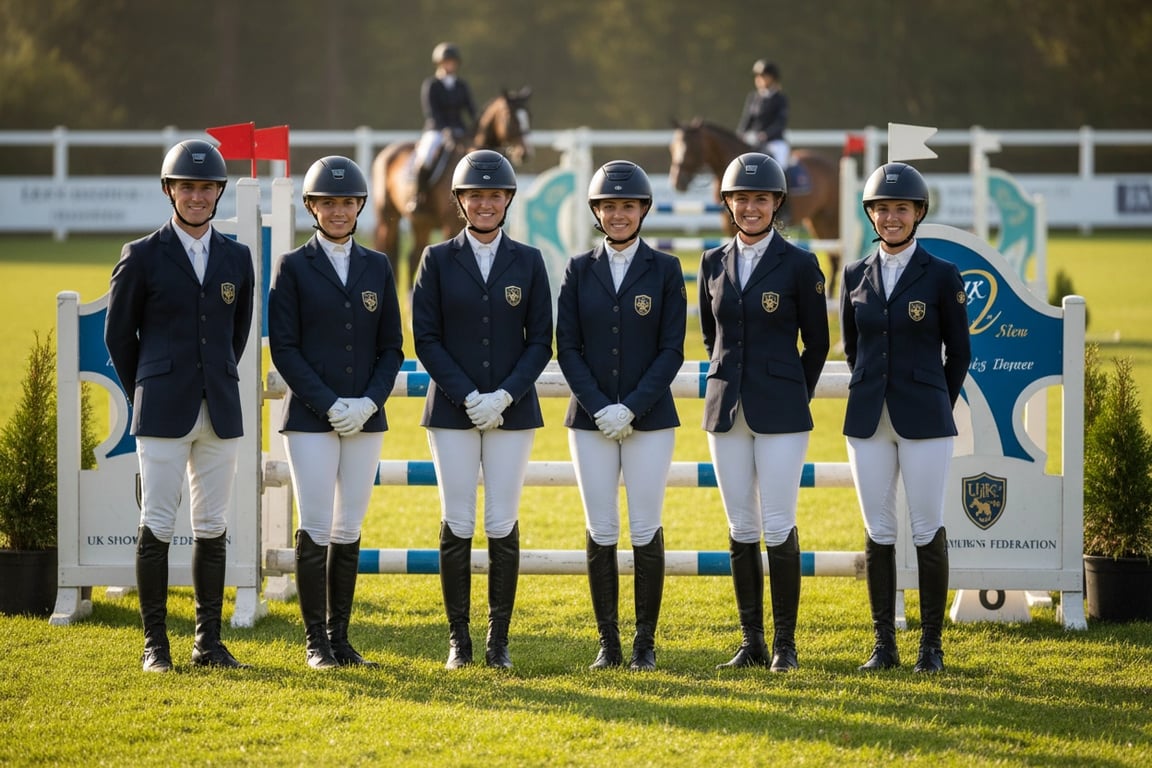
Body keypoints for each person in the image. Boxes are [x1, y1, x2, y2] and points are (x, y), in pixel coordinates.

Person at [105, 139, 255, 672]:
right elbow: (120, 337)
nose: (196, 196)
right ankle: (155, 644)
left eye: (206, 187)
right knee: (159, 524)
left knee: (213, 525)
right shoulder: (142, 255)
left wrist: (210, 378)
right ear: (170, 190)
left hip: (219, 408)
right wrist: (147, 385)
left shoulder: (237, 256)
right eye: (187, 187)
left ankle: (207, 642)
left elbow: (236, 335)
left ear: (219, 192)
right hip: (162, 407)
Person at [412, 149, 553, 670]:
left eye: (495, 195)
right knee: (457, 519)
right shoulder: (437, 259)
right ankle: (458, 639)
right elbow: (425, 337)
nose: (486, 203)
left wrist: (504, 396)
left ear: (507, 200)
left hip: (511, 411)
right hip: (451, 409)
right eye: (476, 196)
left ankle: (498, 640)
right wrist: (468, 395)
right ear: (461, 202)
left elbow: (541, 341)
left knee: (501, 520)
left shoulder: (530, 261)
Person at [268, 156, 404, 670]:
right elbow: (285, 347)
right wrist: (328, 403)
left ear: (360, 206)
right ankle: (315, 643)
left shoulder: (378, 266)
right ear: (313, 207)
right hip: (309, 417)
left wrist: (368, 401)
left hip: (366, 415)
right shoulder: (293, 267)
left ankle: (341, 638)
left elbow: (391, 346)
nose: (340, 211)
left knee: (349, 528)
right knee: (316, 525)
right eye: (329, 203)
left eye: (348, 202)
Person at [698, 152, 829, 673]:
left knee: (778, 524)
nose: (750, 208)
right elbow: (713, 339)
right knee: (740, 526)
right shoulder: (712, 261)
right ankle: (751, 640)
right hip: (725, 408)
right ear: (728, 203)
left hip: (781, 410)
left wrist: (794, 391)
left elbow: (817, 344)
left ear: (776, 203)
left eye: (760, 199)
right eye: (741, 199)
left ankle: (785, 646)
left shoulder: (800, 264)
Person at [839, 162, 971, 673]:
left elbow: (959, 353)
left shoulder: (941, 274)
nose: (890, 217)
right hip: (868, 418)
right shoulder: (854, 274)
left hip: (925, 417)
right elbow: (853, 349)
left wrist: (937, 397)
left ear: (918, 213)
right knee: (877, 530)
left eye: (900, 209)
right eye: (882, 209)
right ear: (870, 214)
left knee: (926, 527)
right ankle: (883, 645)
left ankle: (931, 646)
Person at [556, 161, 687, 671]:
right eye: (609, 207)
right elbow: (566, 347)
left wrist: (631, 406)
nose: (618, 214)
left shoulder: (666, 269)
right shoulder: (577, 268)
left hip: (649, 418)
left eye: (627, 206)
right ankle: (608, 643)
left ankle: (644, 643)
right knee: (601, 527)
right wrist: (599, 406)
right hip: (590, 419)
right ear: (596, 212)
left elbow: (671, 349)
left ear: (642, 210)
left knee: (645, 527)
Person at [410, 41, 477, 212]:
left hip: (459, 131)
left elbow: (471, 110)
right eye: (447, 62)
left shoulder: (462, 86)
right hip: (436, 130)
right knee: (425, 156)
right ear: (439, 64)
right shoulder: (432, 84)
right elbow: (431, 112)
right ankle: (418, 197)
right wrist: (445, 129)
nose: (450, 65)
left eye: (453, 62)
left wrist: (476, 127)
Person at [737, 59, 790, 171]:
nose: (758, 79)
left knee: (781, 167)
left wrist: (766, 134)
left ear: (772, 78)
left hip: (774, 142)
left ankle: (785, 187)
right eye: (757, 76)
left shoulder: (780, 99)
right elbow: (747, 119)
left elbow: (780, 122)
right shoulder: (753, 97)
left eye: (763, 76)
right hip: (755, 141)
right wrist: (741, 134)